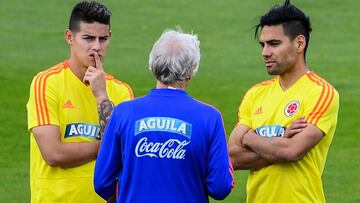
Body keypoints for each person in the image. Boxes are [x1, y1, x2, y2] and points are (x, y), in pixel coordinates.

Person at [94, 29, 234, 203]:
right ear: (190, 71)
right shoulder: (210, 117)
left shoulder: (123, 113)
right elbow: (220, 187)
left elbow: (101, 183)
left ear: (153, 65)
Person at [227, 0, 339, 202]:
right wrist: (282, 140)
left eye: (274, 44)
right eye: (263, 45)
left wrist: (251, 138)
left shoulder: (321, 93)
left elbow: (292, 151)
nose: (265, 52)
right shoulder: (255, 94)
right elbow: (232, 156)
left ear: (299, 43)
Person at [26, 1, 133, 202]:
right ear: (69, 37)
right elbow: (53, 154)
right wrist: (109, 146)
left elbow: (126, 159)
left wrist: (102, 96)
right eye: (88, 38)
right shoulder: (47, 83)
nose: (96, 47)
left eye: (103, 39)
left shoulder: (121, 91)